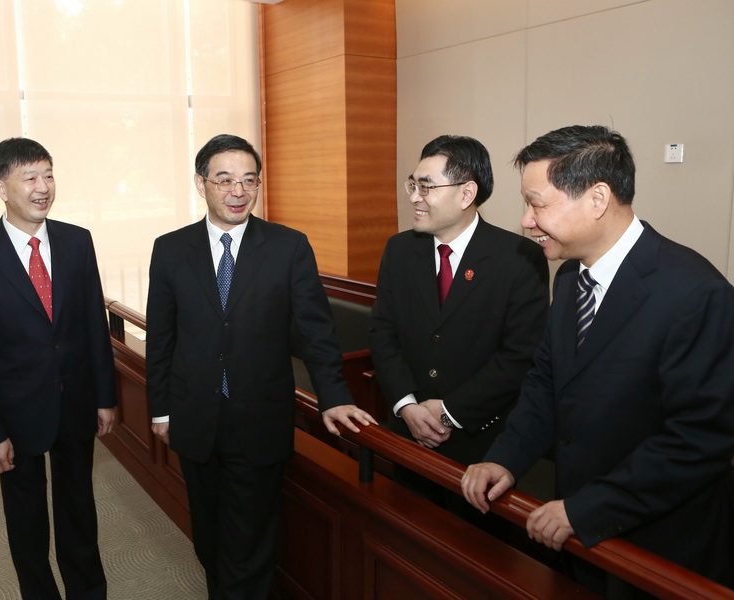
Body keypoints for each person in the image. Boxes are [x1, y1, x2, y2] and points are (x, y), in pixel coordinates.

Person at [461, 125, 734, 591]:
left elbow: (698, 439)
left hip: (658, 546)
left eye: (537, 204)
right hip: (578, 529)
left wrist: (589, 508)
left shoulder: (696, 293)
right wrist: (504, 459)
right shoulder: (570, 276)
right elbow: (546, 383)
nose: (526, 221)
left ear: (597, 198)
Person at [146, 133, 376, 600]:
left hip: (259, 417)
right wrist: (161, 409)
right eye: (225, 180)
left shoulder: (288, 246)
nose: (238, 191)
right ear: (201, 183)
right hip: (194, 416)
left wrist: (334, 397)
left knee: (250, 543)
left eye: (249, 180)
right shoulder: (170, 249)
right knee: (209, 536)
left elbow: (316, 331)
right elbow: (162, 338)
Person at [0, 137, 117, 600]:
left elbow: (93, 326)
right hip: (15, 414)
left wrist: (105, 397)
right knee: (26, 520)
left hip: (76, 403)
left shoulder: (78, 241)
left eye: (48, 175)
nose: (43, 187)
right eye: (30, 177)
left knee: (79, 509)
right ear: (1, 187)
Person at [369, 135, 549, 479]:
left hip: (481, 442)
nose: (414, 197)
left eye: (426, 187)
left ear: (466, 194)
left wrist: (450, 411)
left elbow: (520, 354)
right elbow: (383, 333)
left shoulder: (519, 258)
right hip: (408, 430)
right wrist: (406, 405)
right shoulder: (399, 250)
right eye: (413, 184)